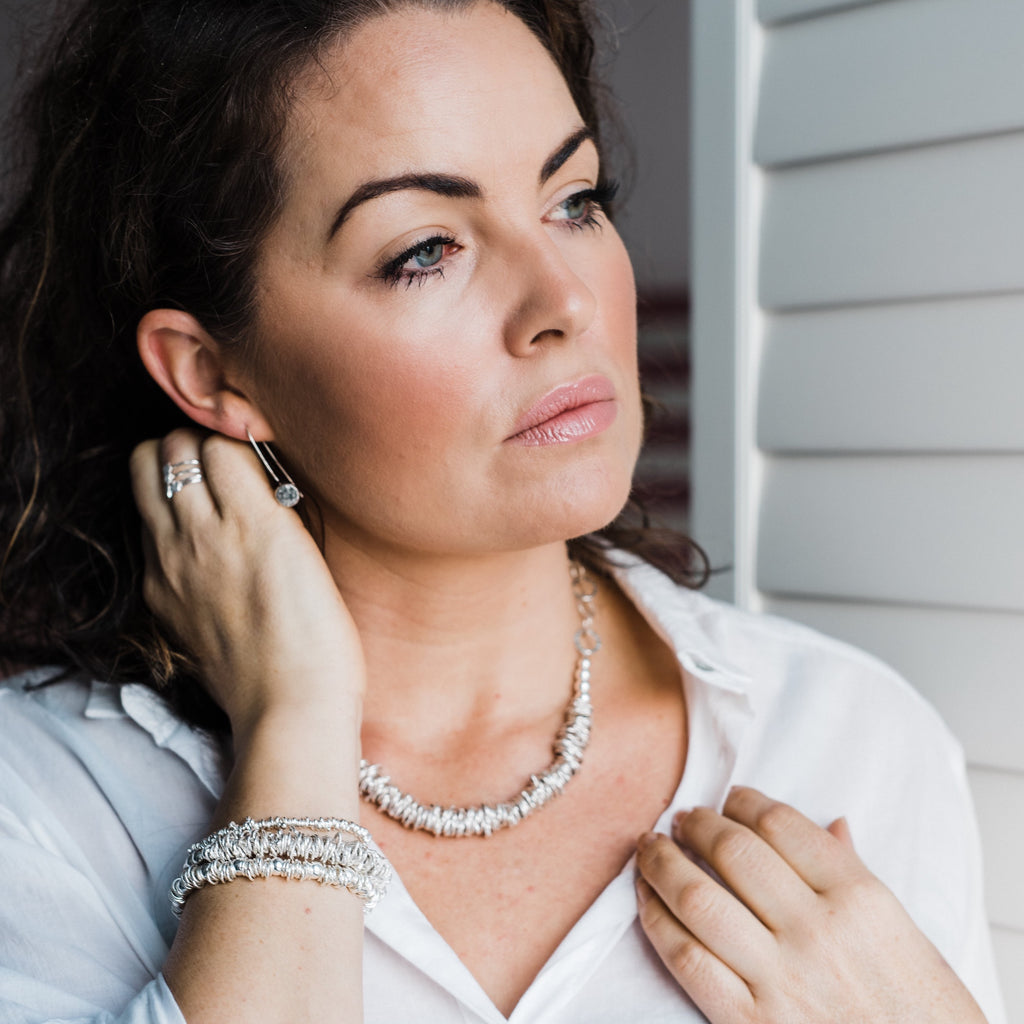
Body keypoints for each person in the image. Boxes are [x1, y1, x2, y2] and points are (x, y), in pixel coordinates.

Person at [0, 1, 1005, 1021]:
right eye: (427, 249)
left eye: (574, 201)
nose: (564, 301)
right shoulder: (44, 801)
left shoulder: (846, 740)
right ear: (211, 371)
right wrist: (293, 729)